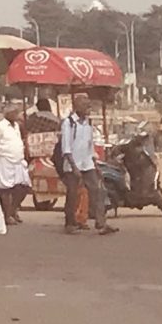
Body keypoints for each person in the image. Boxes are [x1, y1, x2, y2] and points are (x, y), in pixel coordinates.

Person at [57, 90, 113, 237]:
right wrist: (74, 167)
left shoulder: (88, 123)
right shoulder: (68, 123)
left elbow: (90, 147)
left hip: (87, 163)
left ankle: (101, 223)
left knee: (97, 191)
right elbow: (66, 149)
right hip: (72, 164)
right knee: (73, 194)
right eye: (84, 104)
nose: (88, 107)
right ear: (77, 106)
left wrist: (95, 163)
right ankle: (70, 223)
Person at [0, 102, 32, 225]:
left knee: (24, 187)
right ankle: (7, 215)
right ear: (8, 114)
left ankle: (13, 210)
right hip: (5, 160)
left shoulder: (17, 126)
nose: (17, 115)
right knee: (5, 189)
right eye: (14, 113)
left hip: (18, 160)